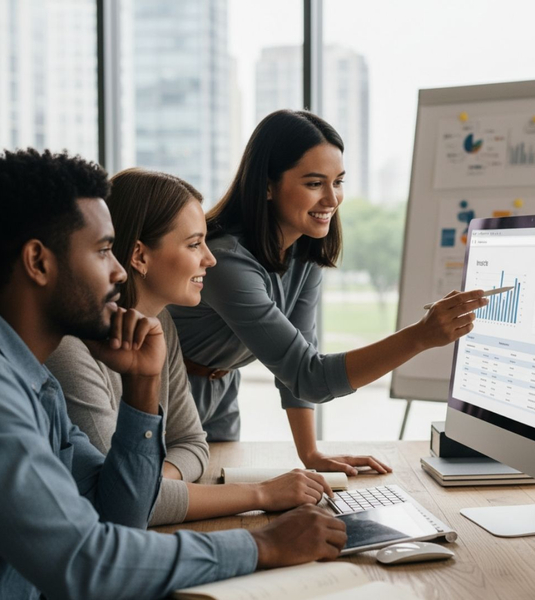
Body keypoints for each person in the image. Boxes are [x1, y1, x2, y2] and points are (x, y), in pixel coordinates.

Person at [0, 148, 346, 600]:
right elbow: (85, 562)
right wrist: (262, 544)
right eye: (102, 252)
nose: (118, 271)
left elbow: (121, 516)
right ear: (39, 262)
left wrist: (142, 388)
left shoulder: (35, 384)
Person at [170, 109, 488, 473]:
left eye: (338, 181)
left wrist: (310, 453)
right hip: (172, 392)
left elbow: (295, 366)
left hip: (222, 389)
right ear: (268, 186)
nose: (332, 199)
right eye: (313, 183)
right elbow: (310, 376)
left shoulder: (303, 254)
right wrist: (420, 336)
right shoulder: (226, 262)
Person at [46, 167, 333, 526]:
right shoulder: (70, 352)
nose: (210, 259)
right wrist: (261, 494)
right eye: (194, 244)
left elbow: (194, 444)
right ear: (139, 256)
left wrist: (144, 483)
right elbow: (116, 503)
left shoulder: (159, 324)